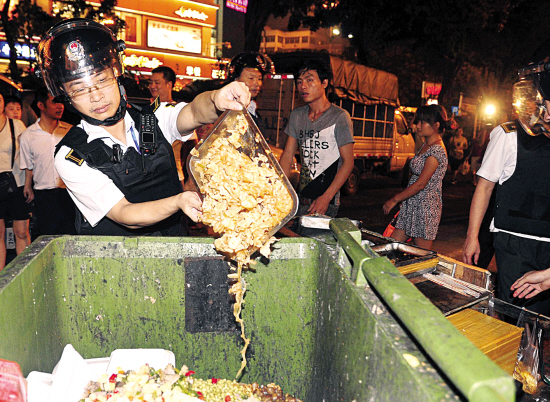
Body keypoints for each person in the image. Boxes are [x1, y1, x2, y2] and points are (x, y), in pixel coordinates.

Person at [35, 18, 250, 236]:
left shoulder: (151, 118)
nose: (96, 96)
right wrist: (178, 201)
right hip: (115, 262)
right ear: (66, 96)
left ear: (116, 75)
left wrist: (216, 98)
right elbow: (124, 213)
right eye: (80, 89)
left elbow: (194, 112)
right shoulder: (71, 155)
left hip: (174, 247)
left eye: (102, 80)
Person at [462, 56, 550, 315]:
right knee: (514, 316)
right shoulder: (509, 134)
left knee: (542, 323)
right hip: (514, 242)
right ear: (539, 101)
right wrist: (472, 237)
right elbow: (484, 187)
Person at [279, 59, 354, 218]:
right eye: (299, 82)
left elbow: (348, 162)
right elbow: (287, 155)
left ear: (324, 83)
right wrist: (278, 187)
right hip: (300, 200)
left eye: (309, 80)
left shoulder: (339, 117)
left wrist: (326, 198)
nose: (303, 86)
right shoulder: (297, 115)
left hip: (326, 202)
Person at [383, 105, 448, 250]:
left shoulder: (437, 150)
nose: (418, 126)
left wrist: (395, 199)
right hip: (413, 204)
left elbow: (420, 184)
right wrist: (405, 199)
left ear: (436, 125)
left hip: (425, 208)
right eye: (418, 121)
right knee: (391, 248)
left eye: (423, 122)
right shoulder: (426, 144)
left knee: (421, 255)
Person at [20, 87, 75, 236]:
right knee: (48, 237)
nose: (60, 106)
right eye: (55, 102)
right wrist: (27, 186)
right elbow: (28, 165)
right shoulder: (28, 135)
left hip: (69, 193)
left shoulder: (70, 132)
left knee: (71, 237)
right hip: (44, 195)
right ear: (40, 106)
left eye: (61, 102)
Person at [0, 92, 31, 270]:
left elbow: (27, 155)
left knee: (21, 232)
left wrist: (28, 183)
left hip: (16, 183)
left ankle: (24, 273)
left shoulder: (16, 125)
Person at [228, 52, 274, 130]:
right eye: (251, 78)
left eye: (259, 79)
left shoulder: (252, 107)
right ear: (235, 79)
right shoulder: (228, 108)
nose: (257, 83)